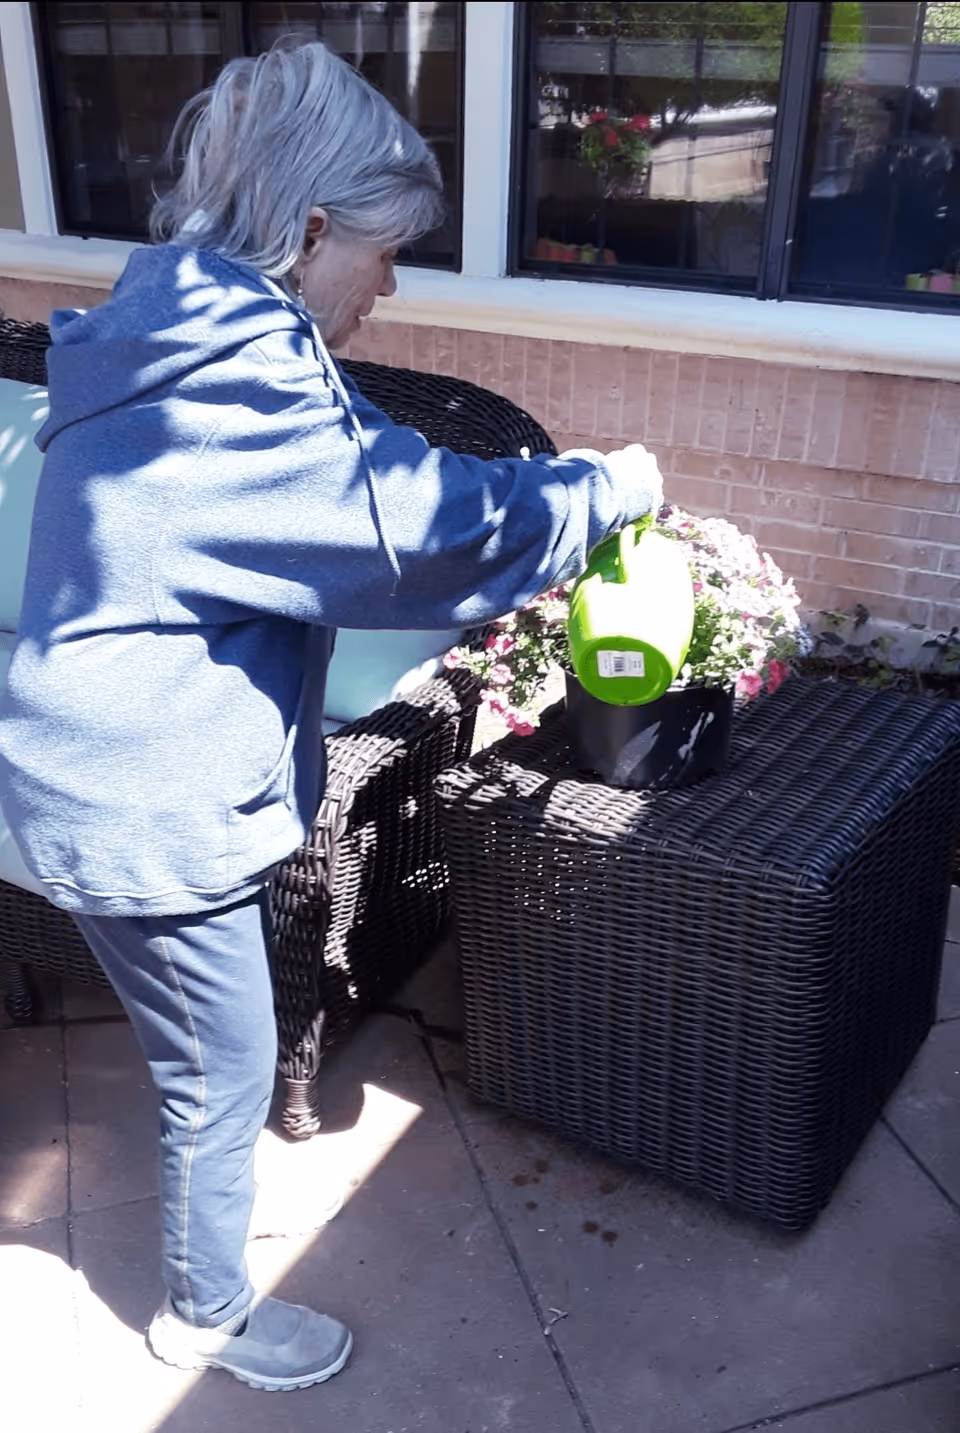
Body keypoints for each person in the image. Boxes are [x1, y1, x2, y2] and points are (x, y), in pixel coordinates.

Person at [0, 40, 663, 1392]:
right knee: (224, 1070)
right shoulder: (227, 391)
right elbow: (412, 532)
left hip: (96, 763)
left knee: (213, 1047)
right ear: (307, 231)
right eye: (383, 251)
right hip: (138, 804)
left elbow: (353, 486)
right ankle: (206, 1315)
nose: (392, 285)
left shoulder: (173, 325)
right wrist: (605, 492)